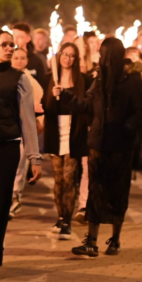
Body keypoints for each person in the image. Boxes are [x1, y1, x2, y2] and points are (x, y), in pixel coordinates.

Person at [72, 38, 142, 258]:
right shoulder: (100, 78)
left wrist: (127, 126)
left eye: (105, 56)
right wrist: (68, 98)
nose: (103, 60)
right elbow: (88, 103)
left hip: (121, 145)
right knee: (95, 192)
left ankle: (115, 239)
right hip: (99, 143)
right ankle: (91, 241)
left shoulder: (131, 80)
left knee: (118, 192)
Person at [0, 30, 42, 281]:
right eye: (5, 44)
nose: (10, 49)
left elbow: (27, 119)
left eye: (12, 45)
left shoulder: (19, 78)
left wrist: (34, 157)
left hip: (5, 147)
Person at [42, 43, 91, 239]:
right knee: (59, 178)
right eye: (65, 54)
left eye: (72, 55)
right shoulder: (49, 78)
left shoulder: (82, 80)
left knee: (70, 177)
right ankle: (60, 216)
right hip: (56, 131)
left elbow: (86, 106)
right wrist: (52, 97)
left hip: (74, 131)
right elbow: (46, 108)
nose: (67, 58)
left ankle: (67, 222)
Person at [9, 47, 45, 217]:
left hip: (23, 128)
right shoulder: (6, 78)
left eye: (22, 58)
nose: (19, 61)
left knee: (19, 165)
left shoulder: (30, 82)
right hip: (8, 127)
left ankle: (15, 196)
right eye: (16, 57)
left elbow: (37, 103)